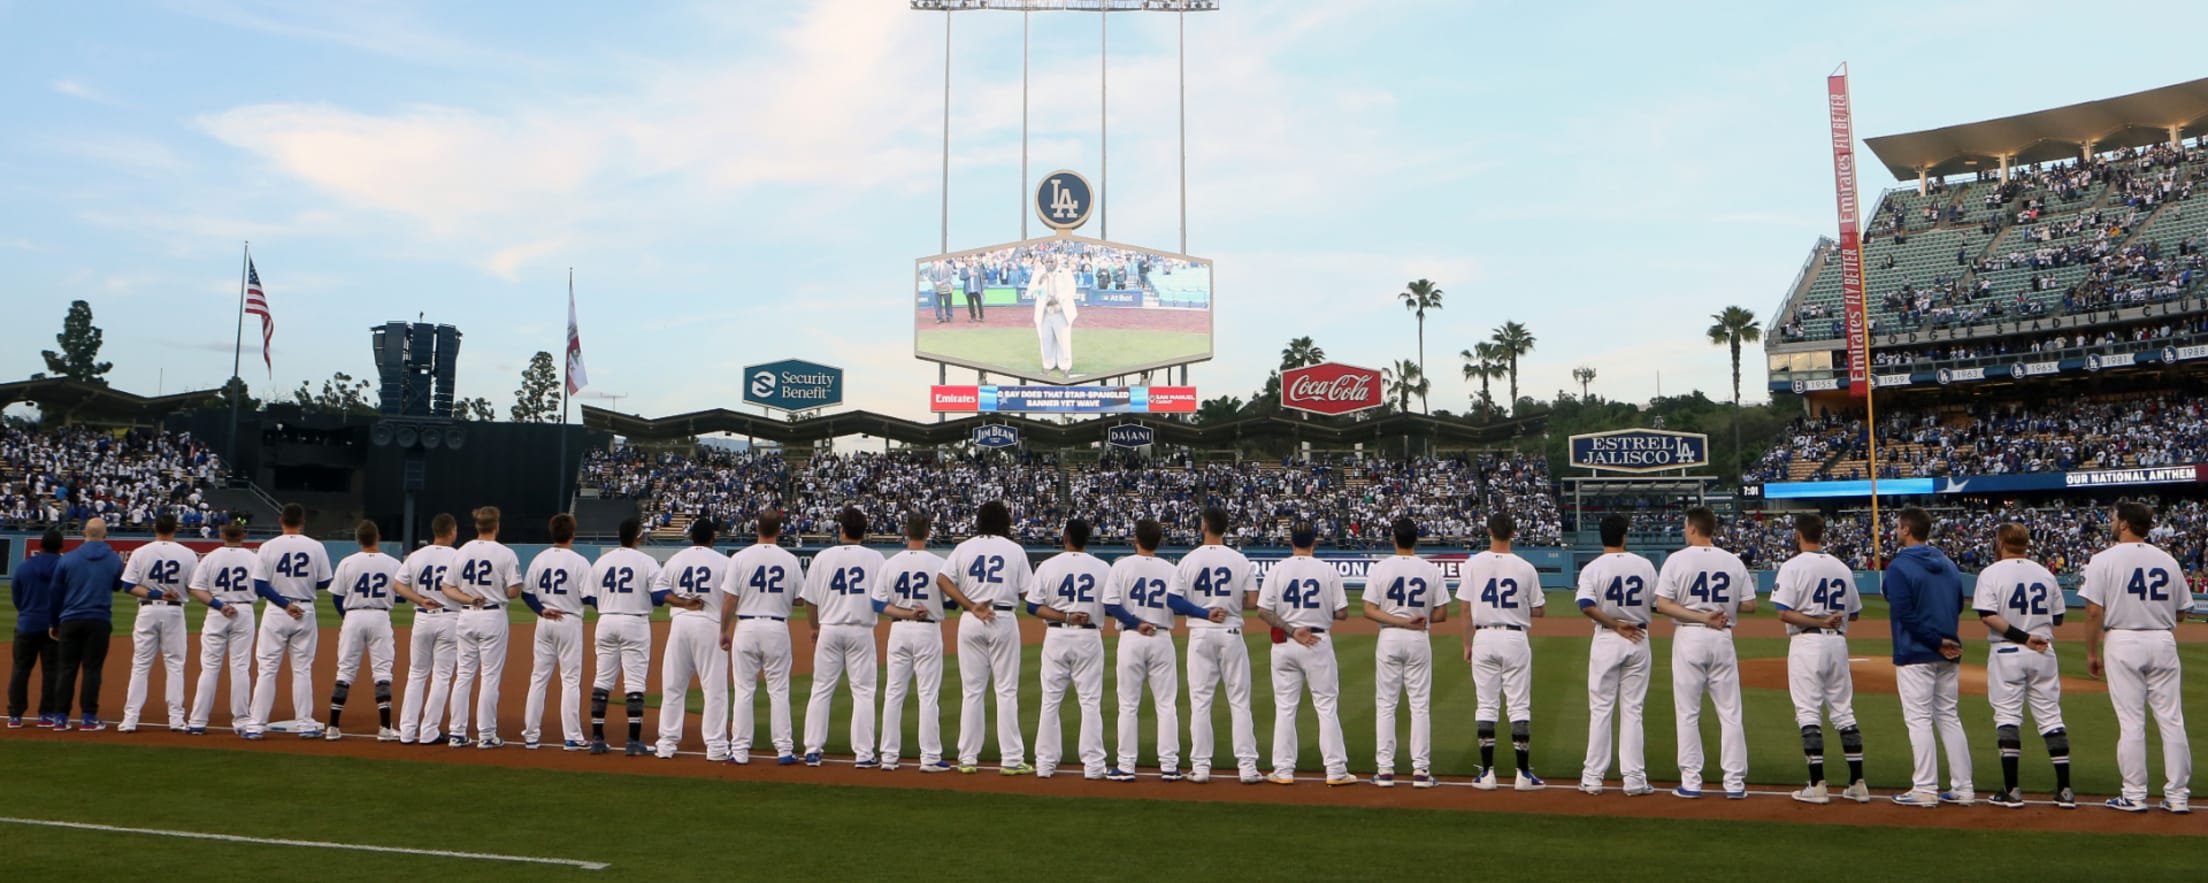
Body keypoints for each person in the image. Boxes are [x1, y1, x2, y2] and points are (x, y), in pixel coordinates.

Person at [2080, 501, 2192, 814]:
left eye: (2115, 518)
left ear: (2126, 524)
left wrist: (2091, 652)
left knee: (2132, 722)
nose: (2112, 522)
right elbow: (2181, 613)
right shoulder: (2167, 560)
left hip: (2123, 639)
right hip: (2162, 640)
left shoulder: (2103, 559)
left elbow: (2092, 611)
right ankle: (2179, 796)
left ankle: (2134, 794)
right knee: (2172, 720)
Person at [1653, 506, 1755, 799]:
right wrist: (1724, 608)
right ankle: (1735, 782)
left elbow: (1662, 604)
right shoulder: (1732, 561)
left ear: (1693, 528)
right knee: (1730, 712)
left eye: (1686, 526)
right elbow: (1749, 604)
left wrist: (1699, 615)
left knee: (1688, 712)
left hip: (1690, 636)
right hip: (1723, 637)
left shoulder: (1677, 560)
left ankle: (1692, 781)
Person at [1769, 513, 1869, 805]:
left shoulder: (1793, 566)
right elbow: (1856, 612)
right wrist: (1831, 618)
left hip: (1807, 643)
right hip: (1838, 645)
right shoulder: (1841, 567)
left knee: (1808, 711)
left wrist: (1820, 620)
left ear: (1798, 535)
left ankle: (1817, 785)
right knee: (1843, 711)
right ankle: (1858, 783)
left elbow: (1783, 612)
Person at [1972, 521, 2072, 809]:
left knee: (2007, 716)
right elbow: (2059, 619)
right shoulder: (2045, 574)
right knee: (2051, 717)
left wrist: (2022, 636)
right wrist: (2032, 632)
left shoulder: (1991, 573)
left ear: (2001, 543)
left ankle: (2012, 790)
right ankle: (2065, 790)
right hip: (2043, 650)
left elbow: (1988, 615)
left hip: (2008, 650)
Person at [937, 499, 1035, 775]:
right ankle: (1012, 759)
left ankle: (967, 758)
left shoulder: (964, 547)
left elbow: (942, 580)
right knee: (1005, 691)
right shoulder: (1014, 550)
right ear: (1005, 522)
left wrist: (969, 605)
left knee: (972, 691)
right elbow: (1029, 593)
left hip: (971, 619)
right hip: (1002, 617)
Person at [1884, 506, 1972, 808]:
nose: (1896, 531)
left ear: (1907, 529)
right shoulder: (1947, 564)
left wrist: (1934, 641)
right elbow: (1959, 604)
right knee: (1949, 716)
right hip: (1949, 650)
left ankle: (1924, 788)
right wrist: (1944, 640)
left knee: (1919, 719)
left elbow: (1903, 613)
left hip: (1916, 652)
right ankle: (1964, 788)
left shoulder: (1899, 567)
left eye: (1898, 526)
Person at [1253, 521, 1352, 786]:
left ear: (1291, 542)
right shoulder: (1327, 570)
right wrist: (1320, 614)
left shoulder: (1277, 569)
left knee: (1285, 708)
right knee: (1326, 706)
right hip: (1317, 641)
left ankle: (1283, 770)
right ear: (1314, 542)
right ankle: (1335, 770)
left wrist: (1291, 628)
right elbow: (1343, 612)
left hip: (1285, 643)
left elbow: (1262, 610)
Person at [1170, 507, 1262, 785]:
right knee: (1240, 701)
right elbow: (1253, 601)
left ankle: (1200, 767)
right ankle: (1247, 767)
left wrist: (1203, 612)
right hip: (1231, 631)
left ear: (1204, 526)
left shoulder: (1188, 560)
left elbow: (1173, 601)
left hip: (1200, 633)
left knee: (1200, 702)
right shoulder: (1239, 559)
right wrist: (1230, 606)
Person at [1457, 511, 1546, 791]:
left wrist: (1467, 644)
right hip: (1515, 638)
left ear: (1488, 532)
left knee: (1486, 704)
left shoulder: (1474, 564)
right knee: (1519, 704)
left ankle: (1487, 774)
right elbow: (1539, 610)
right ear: (1514, 533)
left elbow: (1464, 608)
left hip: (1483, 636)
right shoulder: (1525, 567)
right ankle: (1522, 775)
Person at [1573, 514, 1656, 797]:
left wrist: (1615, 623)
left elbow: (1586, 605)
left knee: (1601, 710)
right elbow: (1656, 603)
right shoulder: (1644, 565)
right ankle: (1634, 780)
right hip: (1639, 638)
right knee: (1633, 710)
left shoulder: (1593, 568)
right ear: (1625, 535)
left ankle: (1593, 777)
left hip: (1608, 638)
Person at [1363, 516, 1448, 789]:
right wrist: (1419, 619)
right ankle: (1421, 771)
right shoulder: (1430, 569)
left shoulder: (1380, 568)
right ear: (1417, 539)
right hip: (1418, 638)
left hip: (1388, 636)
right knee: (1420, 705)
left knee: (1386, 704)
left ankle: (1385, 771)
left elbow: (1369, 610)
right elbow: (1442, 613)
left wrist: (1397, 620)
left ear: (1393, 539)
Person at [797, 507, 884, 769]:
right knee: (863, 692)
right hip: (861, 629)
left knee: (821, 690)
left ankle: (812, 750)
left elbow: (809, 601)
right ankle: (864, 753)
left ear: (841, 529)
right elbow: (882, 598)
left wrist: (814, 628)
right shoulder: (876, 558)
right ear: (864, 531)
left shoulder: (823, 557)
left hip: (830, 628)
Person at [1026, 517, 1111, 780]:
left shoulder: (1049, 566)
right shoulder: (1103, 567)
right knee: (1090, 702)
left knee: (1050, 701)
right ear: (1088, 539)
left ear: (1065, 539)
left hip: (1056, 635)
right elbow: (1111, 605)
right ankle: (1094, 765)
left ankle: (1044, 764)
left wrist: (1064, 616)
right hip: (1088, 638)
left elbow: (1032, 606)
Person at [720, 510, 804, 765]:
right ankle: (784, 750)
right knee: (778, 690)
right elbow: (801, 598)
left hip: (746, 626)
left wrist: (723, 630)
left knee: (744, 690)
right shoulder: (789, 559)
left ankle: (741, 749)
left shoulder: (740, 558)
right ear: (779, 531)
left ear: (757, 528)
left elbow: (729, 598)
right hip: (776, 627)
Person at [1101, 517, 1181, 783]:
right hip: (1161, 637)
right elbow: (1178, 605)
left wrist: (1136, 622)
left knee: (1128, 704)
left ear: (1136, 539)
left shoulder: (1122, 565)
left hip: (1132, 637)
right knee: (1166, 704)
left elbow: (1110, 604)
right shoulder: (1170, 569)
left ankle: (1126, 766)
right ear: (1159, 541)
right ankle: (1169, 766)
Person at [246, 504, 331, 740]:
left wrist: (284, 604)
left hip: (276, 611)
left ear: (281, 520)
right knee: (302, 670)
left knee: (267, 670)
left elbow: (260, 585)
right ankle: (304, 724)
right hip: (304, 609)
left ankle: (255, 725)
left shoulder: (268, 547)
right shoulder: (316, 546)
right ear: (302, 521)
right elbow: (325, 582)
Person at [441, 506, 522, 750]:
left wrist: (468, 598)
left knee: (464, 675)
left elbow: (447, 587)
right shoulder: (505, 553)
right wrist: (502, 591)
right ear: (496, 526)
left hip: (467, 616)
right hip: (492, 616)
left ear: (477, 526)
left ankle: (457, 732)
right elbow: (514, 590)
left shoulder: (462, 551)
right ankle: (486, 734)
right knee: (490, 676)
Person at [873, 512, 949, 773]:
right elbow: (950, 602)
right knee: (928, 694)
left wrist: (905, 612)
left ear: (906, 532)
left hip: (899, 631)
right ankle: (929, 758)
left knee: (894, 693)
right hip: (927, 630)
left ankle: (889, 757)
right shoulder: (940, 563)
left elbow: (877, 604)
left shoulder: (890, 563)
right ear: (928, 533)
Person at [654, 518, 732, 761]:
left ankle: (666, 744)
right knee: (714, 688)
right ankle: (716, 746)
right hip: (709, 624)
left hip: (680, 623)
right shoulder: (724, 562)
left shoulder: (676, 559)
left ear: (691, 536)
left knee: (673, 687)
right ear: (713, 537)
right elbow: (733, 596)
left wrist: (683, 602)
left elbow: (658, 592)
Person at [585, 517, 662, 756]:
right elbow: (659, 597)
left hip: (606, 620)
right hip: (634, 621)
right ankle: (633, 742)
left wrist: (610, 604)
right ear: (638, 535)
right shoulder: (647, 561)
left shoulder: (602, 561)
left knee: (602, 679)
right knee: (635, 681)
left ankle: (597, 739)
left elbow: (589, 597)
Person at [117, 513, 197, 733]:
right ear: (175, 528)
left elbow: (128, 586)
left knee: (141, 665)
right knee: (175, 665)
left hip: (147, 610)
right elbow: (193, 586)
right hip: (174, 613)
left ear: (155, 527)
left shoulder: (140, 552)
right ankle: (176, 719)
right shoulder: (188, 554)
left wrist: (155, 592)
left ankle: (130, 719)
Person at [324, 519, 401, 742]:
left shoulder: (347, 562)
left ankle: (333, 727)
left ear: (358, 540)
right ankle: (385, 728)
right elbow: (401, 594)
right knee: (383, 671)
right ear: (377, 538)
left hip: (353, 616)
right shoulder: (392, 563)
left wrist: (347, 617)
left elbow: (337, 597)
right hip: (380, 616)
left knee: (345, 670)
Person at [520, 513, 590, 751]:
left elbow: (527, 593)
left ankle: (531, 735)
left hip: (544, 621)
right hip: (568, 621)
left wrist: (541, 610)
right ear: (572, 533)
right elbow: (588, 596)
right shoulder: (579, 561)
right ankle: (571, 737)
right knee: (570, 680)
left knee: (538, 678)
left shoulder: (539, 559)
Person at [185, 522, 260, 735]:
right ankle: (242, 721)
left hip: (217, 612)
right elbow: (263, 586)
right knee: (240, 667)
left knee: (209, 667)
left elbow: (196, 589)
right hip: (244, 611)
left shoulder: (211, 557)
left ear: (222, 534)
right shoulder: (253, 558)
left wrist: (219, 605)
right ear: (243, 535)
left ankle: (198, 721)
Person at [394, 513, 460, 746]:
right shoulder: (457, 556)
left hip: (422, 617)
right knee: (442, 676)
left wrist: (420, 599)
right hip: (450, 617)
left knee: (416, 674)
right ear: (451, 531)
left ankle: (407, 731)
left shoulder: (417, 556)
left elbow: (398, 584)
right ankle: (429, 731)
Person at [53, 521, 124, 731]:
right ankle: (88, 717)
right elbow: (118, 585)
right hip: (98, 619)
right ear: (106, 535)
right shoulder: (113, 558)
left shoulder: (68, 558)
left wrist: (53, 621)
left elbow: (55, 592)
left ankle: (60, 717)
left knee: (66, 669)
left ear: (84, 533)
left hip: (70, 618)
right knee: (92, 669)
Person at [7, 530, 64, 729]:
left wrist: (26, 611)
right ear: (60, 546)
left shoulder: (24, 567)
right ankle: (46, 714)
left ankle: (15, 715)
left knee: (21, 670)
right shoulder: (63, 567)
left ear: (41, 545)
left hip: (27, 624)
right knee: (52, 671)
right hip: (53, 626)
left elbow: (17, 596)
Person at [1032, 255, 1079, 377]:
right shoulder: (1038, 273)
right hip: (1045, 311)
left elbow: (1072, 290)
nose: (1049, 264)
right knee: (1046, 340)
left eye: (1051, 261)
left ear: (1056, 262)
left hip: (1060, 310)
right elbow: (1031, 290)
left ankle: (1065, 365)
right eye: (1046, 261)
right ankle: (1048, 364)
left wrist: (1058, 300)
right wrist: (1039, 283)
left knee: (1063, 340)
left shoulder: (1065, 272)